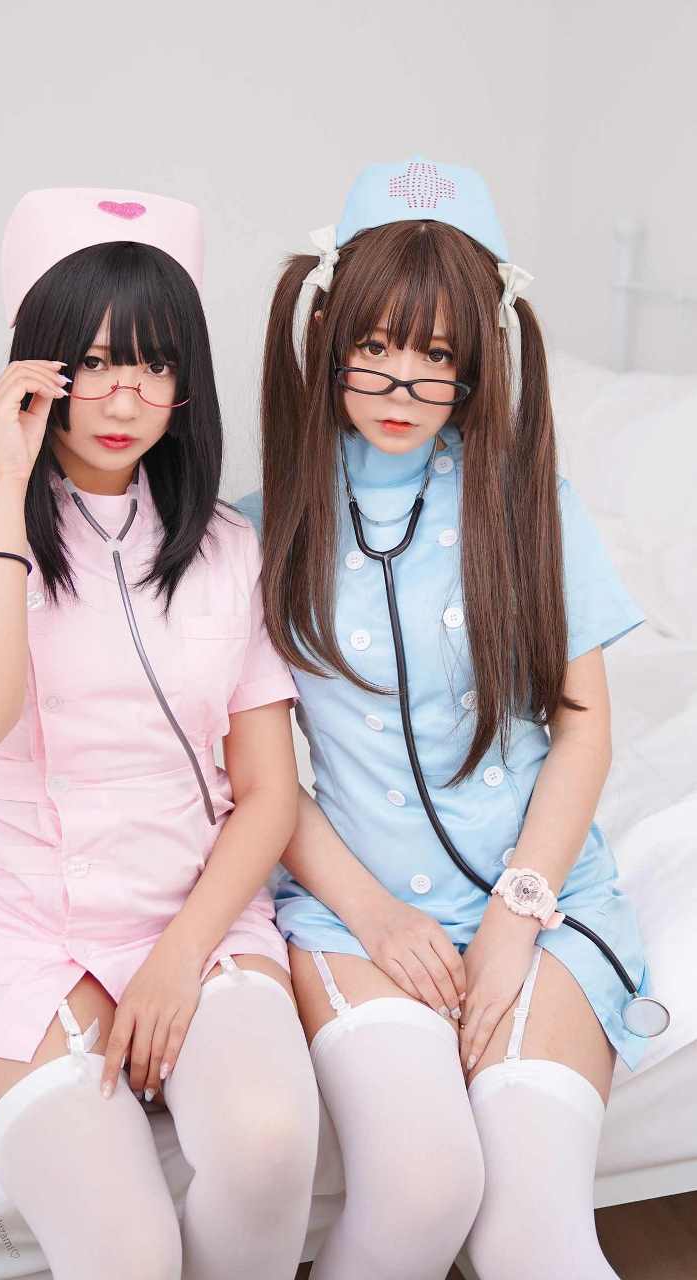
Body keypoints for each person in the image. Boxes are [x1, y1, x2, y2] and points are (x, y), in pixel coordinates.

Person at [237, 155, 651, 1279]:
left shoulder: (529, 504)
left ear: (475, 365)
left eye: (436, 355)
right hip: (353, 909)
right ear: (329, 338)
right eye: (374, 345)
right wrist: (377, 919)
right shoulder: (259, 531)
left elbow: (583, 727)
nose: (400, 382)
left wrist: (516, 917)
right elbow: (259, 777)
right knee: (423, 1189)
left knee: (533, 1234)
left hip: (541, 898)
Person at [0, 186, 319, 1280]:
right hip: (19, 928)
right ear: (36, 370)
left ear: (186, 385)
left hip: (197, 919)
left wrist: (177, 961)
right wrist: (8, 481)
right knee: (128, 1248)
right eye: (90, 362)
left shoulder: (227, 549)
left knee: (270, 1143)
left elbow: (268, 793)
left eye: (154, 364)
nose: (123, 396)